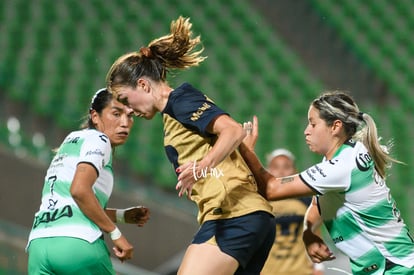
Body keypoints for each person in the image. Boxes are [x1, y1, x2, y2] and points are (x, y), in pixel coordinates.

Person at [105, 16, 275, 275]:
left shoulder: (180, 100)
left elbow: (232, 130)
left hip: (232, 216)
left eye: (126, 99)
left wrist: (202, 166)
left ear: (142, 84)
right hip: (251, 218)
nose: (129, 109)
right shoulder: (174, 113)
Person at [240, 91, 414, 275]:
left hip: (394, 268)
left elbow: (271, 188)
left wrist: (246, 150)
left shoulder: (340, 167)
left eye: (313, 124)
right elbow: (317, 206)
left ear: (335, 127)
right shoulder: (346, 155)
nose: (306, 130)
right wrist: (308, 233)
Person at [26, 88, 150, 274]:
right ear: (95, 116)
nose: (125, 123)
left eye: (130, 116)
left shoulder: (72, 139)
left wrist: (122, 216)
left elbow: (72, 205)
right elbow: (79, 190)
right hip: (77, 244)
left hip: (39, 246)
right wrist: (116, 233)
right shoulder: (99, 139)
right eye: (116, 114)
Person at [261, 148, 324, 275]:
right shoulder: (260, 202)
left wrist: (318, 267)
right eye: (275, 167)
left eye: (286, 166)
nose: (281, 171)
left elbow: (315, 234)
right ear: (268, 171)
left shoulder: (307, 202)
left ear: (295, 171)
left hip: (300, 271)